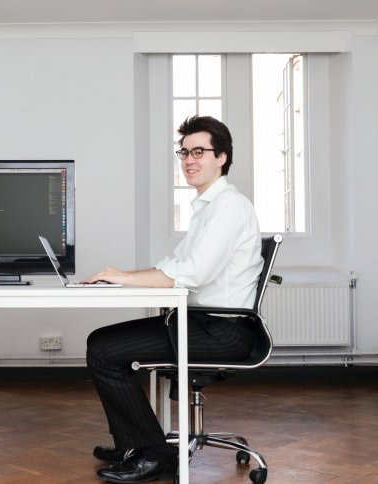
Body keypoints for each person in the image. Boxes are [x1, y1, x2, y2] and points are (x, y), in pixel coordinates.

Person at [83, 116, 263, 483]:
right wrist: (120, 274)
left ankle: (153, 454)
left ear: (222, 157)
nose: (188, 160)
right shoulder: (207, 208)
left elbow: (192, 274)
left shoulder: (229, 207)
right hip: (201, 322)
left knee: (103, 350)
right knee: (99, 341)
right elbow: (172, 266)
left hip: (224, 331)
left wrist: (121, 278)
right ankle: (134, 444)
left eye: (199, 152)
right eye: (184, 153)